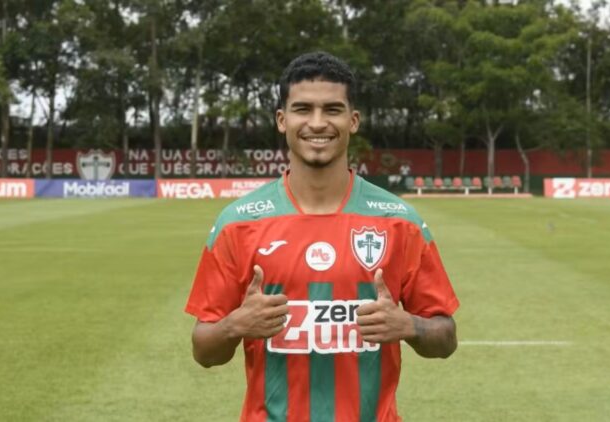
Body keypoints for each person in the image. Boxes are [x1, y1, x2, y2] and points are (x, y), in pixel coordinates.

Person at [185, 51, 459, 422]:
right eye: (303, 109)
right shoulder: (238, 224)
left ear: (353, 120)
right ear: (282, 120)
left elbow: (446, 338)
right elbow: (203, 351)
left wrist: (409, 326)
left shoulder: (399, 222)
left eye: (332, 109)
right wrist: (236, 325)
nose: (317, 123)